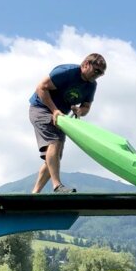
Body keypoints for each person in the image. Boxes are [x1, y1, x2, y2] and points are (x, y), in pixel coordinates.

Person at [29, 53, 106, 193]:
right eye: (96, 71)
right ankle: (57, 186)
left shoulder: (91, 85)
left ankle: (35, 193)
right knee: (55, 142)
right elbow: (41, 87)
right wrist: (54, 110)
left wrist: (79, 111)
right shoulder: (66, 72)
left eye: (101, 73)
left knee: (55, 156)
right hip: (41, 108)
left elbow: (86, 106)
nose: (98, 75)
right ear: (85, 64)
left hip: (61, 116)